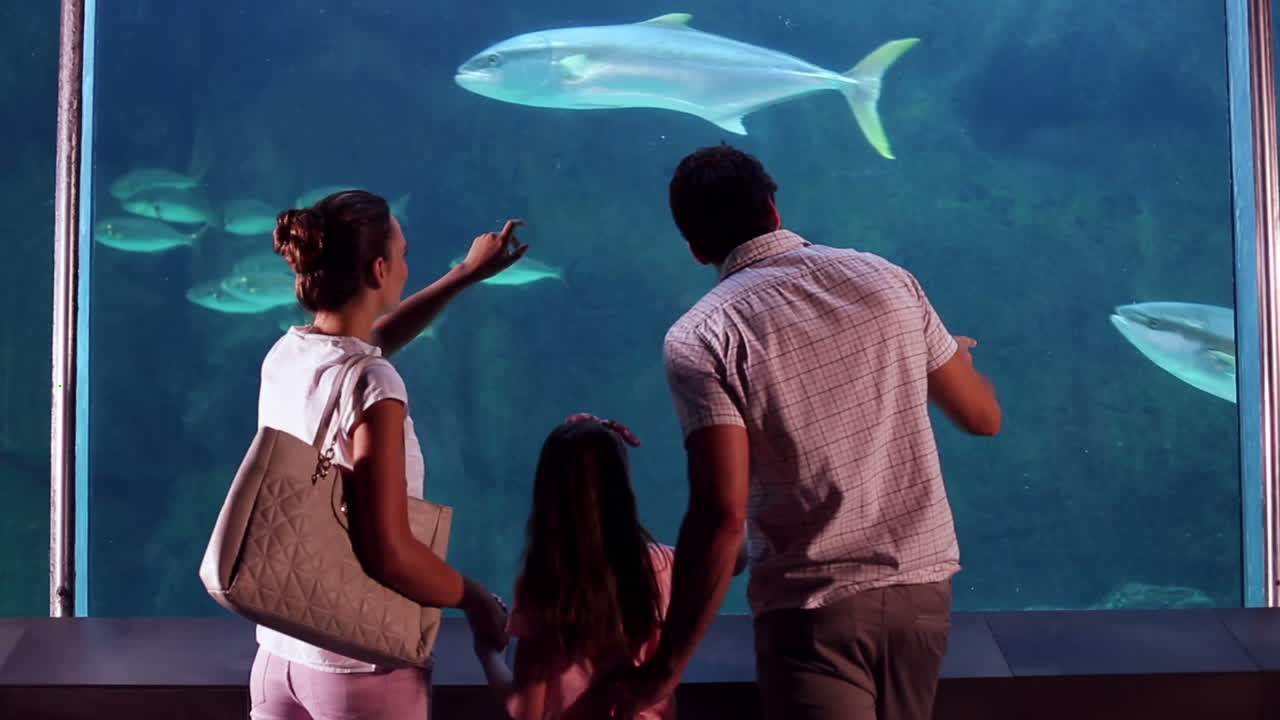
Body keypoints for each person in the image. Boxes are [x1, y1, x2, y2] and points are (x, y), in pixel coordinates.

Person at [579, 144, 1002, 720]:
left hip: (812, 611)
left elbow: (720, 514)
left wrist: (663, 671)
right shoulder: (888, 280)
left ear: (695, 246)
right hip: (921, 596)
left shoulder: (704, 335)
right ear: (774, 210)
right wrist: (950, 356)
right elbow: (983, 417)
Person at [249, 189, 528, 720]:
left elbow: (362, 346)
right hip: (359, 666)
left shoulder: (288, 353)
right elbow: (388, 551)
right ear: (379, 269)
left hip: (280, 652)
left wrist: (465, 274)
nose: (407, 265)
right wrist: (474, 599)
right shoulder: (376, 385)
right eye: (402, 255)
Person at [472, 413, 745, 719]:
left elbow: (525, 712)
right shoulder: (663, 566)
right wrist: (727, 474)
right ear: (624, 489)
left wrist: (488, 654)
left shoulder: (546, 585)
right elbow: (734, 551)